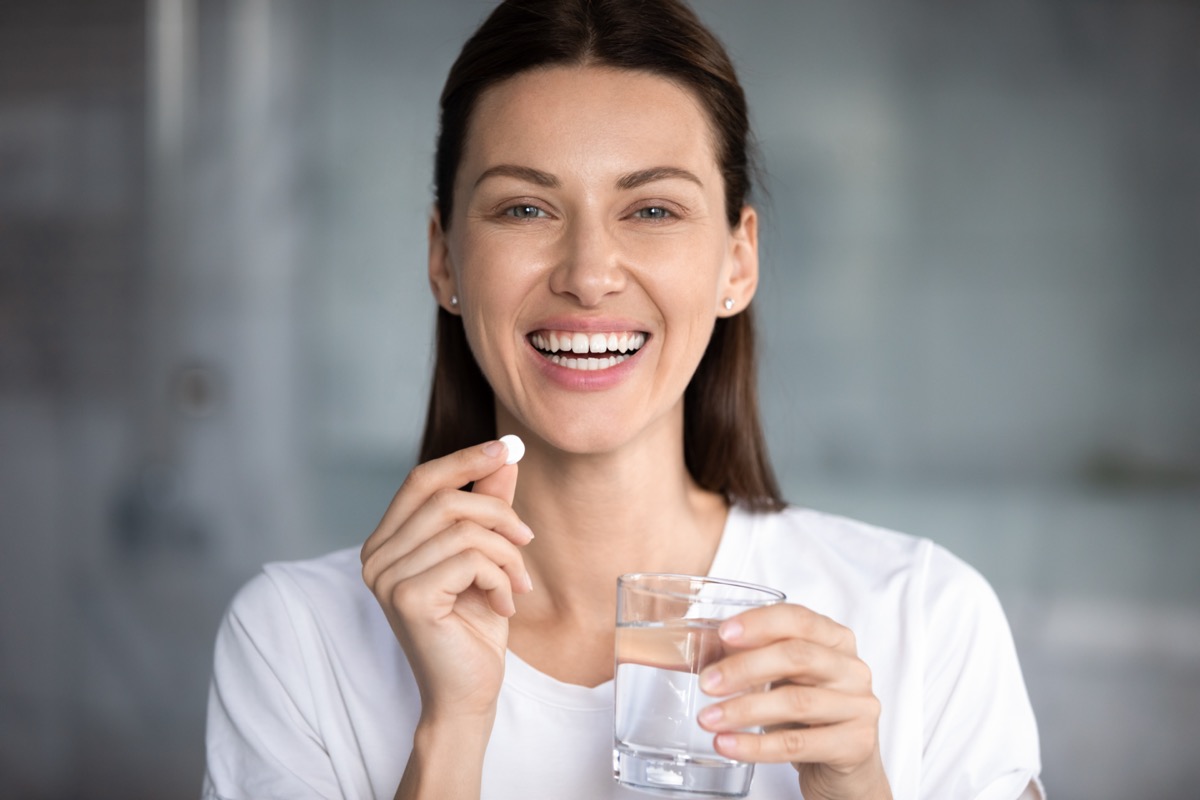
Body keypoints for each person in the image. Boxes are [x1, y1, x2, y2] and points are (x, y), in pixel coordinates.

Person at [201, 1, 1043, 798]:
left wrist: (855, 788)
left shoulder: (923, 615)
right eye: (526, 208)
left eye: (652, 209)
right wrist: (450, 731)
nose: (589, 274)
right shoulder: (294, 639)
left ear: (737, 263)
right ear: (445, 260)